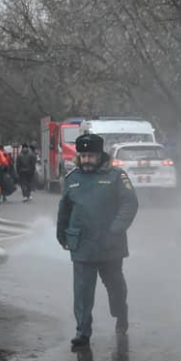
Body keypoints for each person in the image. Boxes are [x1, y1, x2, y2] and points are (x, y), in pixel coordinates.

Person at [57, 134, 138, 348]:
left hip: (110, 244)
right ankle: (82, 332)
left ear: (100, 155)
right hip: (82, 245)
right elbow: (64, 209)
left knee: (116, 287)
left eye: (90, 156)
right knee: (82, 292)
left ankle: (121, 314)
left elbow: (130, 203)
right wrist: (62, 234)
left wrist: (116, 229)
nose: (86, 160)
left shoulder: (116, 176)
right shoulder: (72, 178)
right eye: (82, 156)